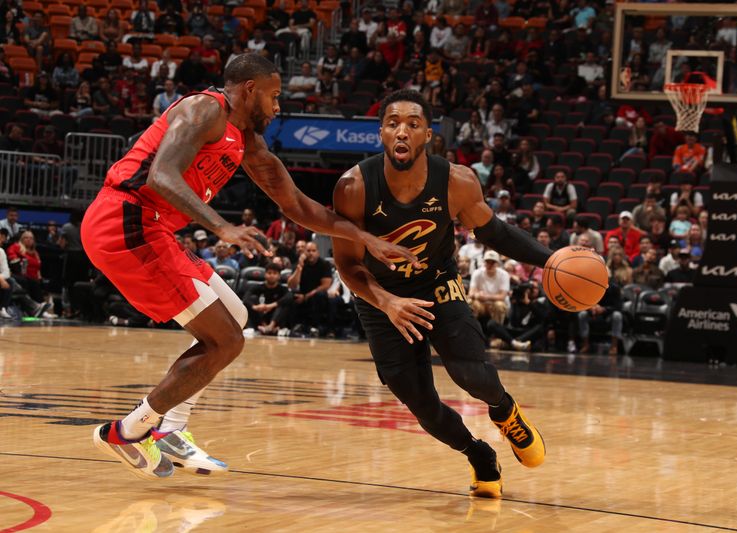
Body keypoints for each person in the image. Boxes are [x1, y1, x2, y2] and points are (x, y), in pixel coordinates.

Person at [82, 54, 417, 479]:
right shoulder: (204, 109)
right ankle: (128, 431)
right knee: (225, 341)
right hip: (125, 224)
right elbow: (161, 177)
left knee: (236, 318)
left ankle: (169, 430)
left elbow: (296, 205)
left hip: (152, 230)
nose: (278, 108)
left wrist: (363, 237)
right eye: (275, 97)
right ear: (250, 90)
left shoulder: (246, 142)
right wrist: (222, 228)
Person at [331, 90, 550, 499]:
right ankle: (478, 453)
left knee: (468, 372)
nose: (402, 130)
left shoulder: (457, 181)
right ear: (380, 133)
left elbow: (495, 233)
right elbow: (348, 265)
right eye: (393, 123)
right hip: (380, 298)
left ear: (427, 135)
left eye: (412, 124)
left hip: (436, 283)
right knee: (422, 407)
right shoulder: (353, 187)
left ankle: (505, 412)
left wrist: (549, 260)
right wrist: (386, 302)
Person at [243, 262, 294, 335]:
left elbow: (290, 297)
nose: (271, 275)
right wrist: (255, 307)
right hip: (261, 315)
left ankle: (271, 326)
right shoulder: (258, 287)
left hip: (276, 317)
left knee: (285, 304)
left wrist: (271, 305)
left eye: (274, 273)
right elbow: (246, 297)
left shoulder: (283, 289)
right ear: (265, 275)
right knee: (252, 299)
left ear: (279, 276)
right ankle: (261, 327)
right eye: (269, 273)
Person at [577, 282, 622, 355]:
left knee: (617, 315)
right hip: (593, 314)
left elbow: (618, 307)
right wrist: (591, 308)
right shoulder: (591, 286)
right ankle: (585, 344)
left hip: (608, 315)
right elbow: (583, 303)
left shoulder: (615, 288)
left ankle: (614, 346)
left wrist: (604, 309)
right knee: (582, 314)